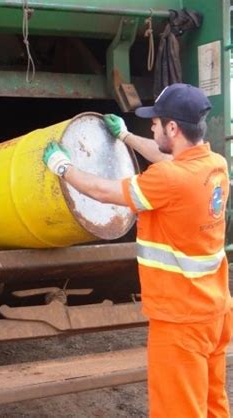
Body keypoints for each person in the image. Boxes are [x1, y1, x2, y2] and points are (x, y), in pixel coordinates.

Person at [42, 83, 232, 418]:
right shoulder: (215, 165)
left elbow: (103, 191)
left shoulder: (168, 180)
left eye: (156, 122)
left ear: (172, 127)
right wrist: (127, 137)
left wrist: (62, 166)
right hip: (214, 313)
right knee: (212, 404)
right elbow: (169, 157)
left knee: (179, 411)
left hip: (179, 322)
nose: (152, 126)